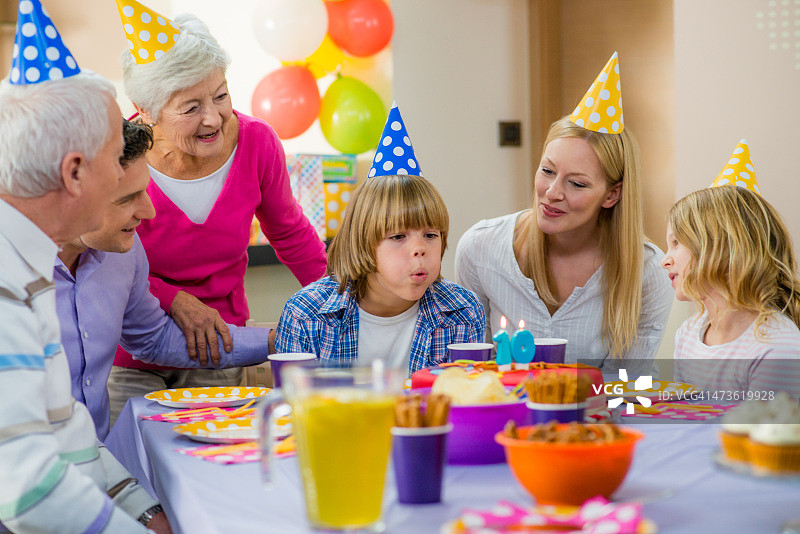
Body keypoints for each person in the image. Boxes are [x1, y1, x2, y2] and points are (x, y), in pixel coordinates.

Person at [108, 4, 327, 416]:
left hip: (219, 344)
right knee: (128, 450)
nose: (213, 118)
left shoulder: (257, 143)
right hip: (130, 347)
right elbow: (101, 257)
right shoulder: (119, 154)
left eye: (221, 95)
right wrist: (173, 298)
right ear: (146, 109)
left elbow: (291, 234)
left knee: (216, 448)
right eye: (191, 108)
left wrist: (340, 299)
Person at [0, 2, 169, 530]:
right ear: (74, 172)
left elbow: (67, 431)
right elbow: (29, 494)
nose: (145, 206)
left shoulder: (28, 263)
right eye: (115, 158)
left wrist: (143, 511)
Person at [455, 53, 672, 376]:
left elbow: (623, 386)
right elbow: (476, 372)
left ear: (612, 195)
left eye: (577, 183)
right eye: (547, 170)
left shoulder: (648, 273)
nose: (552, 192)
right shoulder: (479, 249)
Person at [56, 120, 274, 440]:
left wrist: (275, 341)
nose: (149, 211)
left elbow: (155, 339)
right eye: (127, 198)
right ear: (72, 192)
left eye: (145, 191)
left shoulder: (124, 254)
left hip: (94, 456)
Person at [276, 105, 486, 375]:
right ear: (362, 243)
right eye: (398, 236)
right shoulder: (306, 314)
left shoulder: (463, 311)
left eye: (430, 235)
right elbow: (293, 401)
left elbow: (465, 396)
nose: (419, 249)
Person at [663, 185, 800, 397]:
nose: (665, 260)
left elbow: (765, 420)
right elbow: (679, 409)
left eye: (676, 243)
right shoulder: (687, 334)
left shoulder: (776, 346)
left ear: (722, 248)